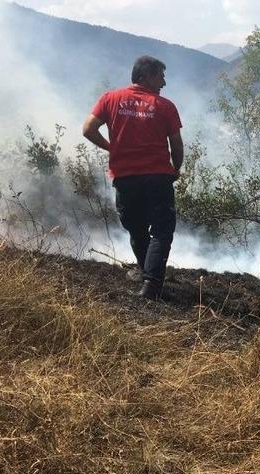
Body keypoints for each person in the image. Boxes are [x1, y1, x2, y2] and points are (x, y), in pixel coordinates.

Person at [82, 55, 184, 300]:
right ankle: (151, 284)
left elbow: (87, 129)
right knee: (161, 230)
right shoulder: (165, 106)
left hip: (126, 177)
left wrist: (111, 148)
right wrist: (176, 167)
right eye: (160, 76)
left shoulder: (110, 99)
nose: (164, 83)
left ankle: (147, 276)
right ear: (145, 76)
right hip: (158, 177)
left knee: (137, 230)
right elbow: (176, 144)